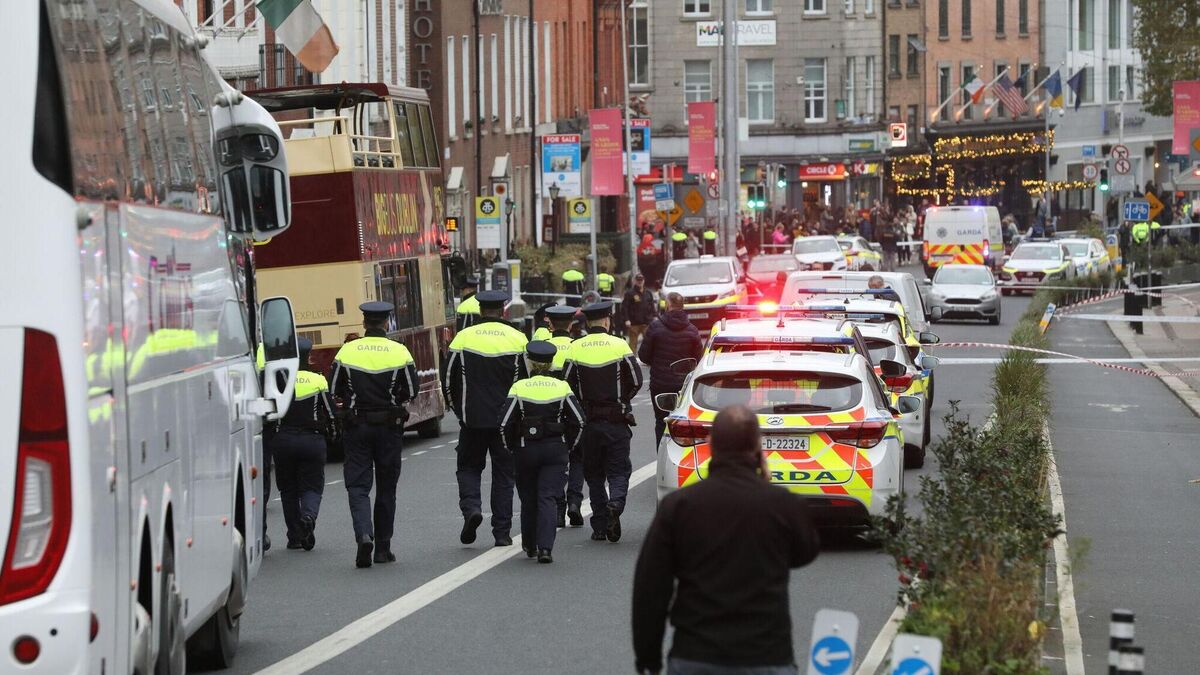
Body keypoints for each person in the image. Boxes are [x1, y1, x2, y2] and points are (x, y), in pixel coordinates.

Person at [632, 405, 820, 675]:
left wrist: (648, 658)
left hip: (696, 655)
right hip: (767, 656)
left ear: (711, 444)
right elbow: (805, 551)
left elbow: (650, 588)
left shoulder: (679, 506)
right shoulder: (783, 504)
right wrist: (765, 483)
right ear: (758, 447)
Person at [331, 302, 419, 567]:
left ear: (364, 323)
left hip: (357, 427)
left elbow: (334, 388)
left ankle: (363, 534)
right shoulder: (400, 351)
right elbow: (412, 390)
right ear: (387, 323)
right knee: (386, 487)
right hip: (389, 429)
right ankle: (382, 549)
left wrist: (352, 400)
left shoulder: (347, 351)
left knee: (358, 485)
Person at [443, 290, 529, 547]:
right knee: (504, 475)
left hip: (472, 420)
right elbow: (525, 382)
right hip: (507, 422)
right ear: (503, 310)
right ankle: (502, 533)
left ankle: (472, 509)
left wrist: (459, 412)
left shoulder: (463, 338)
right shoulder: (518, 339)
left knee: (468, 468)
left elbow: (448, 381)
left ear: (480, 311)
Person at [563, 301, 643, 543]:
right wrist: (622, 400)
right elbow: (637, 380)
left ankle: (599, 526)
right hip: (616, 420)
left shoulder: (575, 347)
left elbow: (567, 383)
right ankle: (615, 504)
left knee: (594, 474)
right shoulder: (619, 345)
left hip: (588, 423)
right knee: (619, 470)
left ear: (587, 323)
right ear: (607, 321)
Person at [500, 342, 586, 563]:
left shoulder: (519, 387)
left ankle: (530, 545)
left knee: (528, 498)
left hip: (525, 450)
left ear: (530, 362)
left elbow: (504, 423)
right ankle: (546, 549)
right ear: (550, 364)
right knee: (548, 497)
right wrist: (569, 446)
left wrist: (511, 447)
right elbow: (579, 420)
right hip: (555, 451)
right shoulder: (562, 387)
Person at [270, 338, 337, 551]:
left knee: (288, 490)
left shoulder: (277, 381)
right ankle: (308, 517)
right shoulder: (318, 380)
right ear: (308, 357)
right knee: (312, 486)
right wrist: (333, 436)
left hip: (283, 441)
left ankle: (295, 537)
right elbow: (331, 414)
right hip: (312, 442)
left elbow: (270, 415)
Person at [638, 292, 703, 448]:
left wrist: (655, 360)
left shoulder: (655, 327)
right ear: (683, 306)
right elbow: (699, 359)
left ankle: (662, 453)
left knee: (661, 422)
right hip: (684, 386)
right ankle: (681, 453)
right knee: (684, 423)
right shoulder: (692, 330)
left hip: (660, 385)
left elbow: (643, 356)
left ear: (667, 305)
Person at [544, 305, 586, 527]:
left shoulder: (541, 348)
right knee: (577, 458)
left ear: (549, 324)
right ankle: (575, 502)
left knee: (555, 462)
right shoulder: (577, 347)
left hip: (549, 414)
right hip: (574, 411)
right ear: (571, 324)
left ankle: (559, 509)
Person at [623, 273, 658, 352]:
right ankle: (632, 359)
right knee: (633, 344)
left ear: (644, 281)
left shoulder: (648, 293)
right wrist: (626, 319)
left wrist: (655, 316)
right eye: (638, 280)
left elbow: (652, 306)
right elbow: (625, 307)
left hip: (646, 322)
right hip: (634, 324)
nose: (640, 282)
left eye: (641, 280)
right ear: (635, 281)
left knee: (649, 343)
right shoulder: (629, 293)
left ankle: (648, 358)